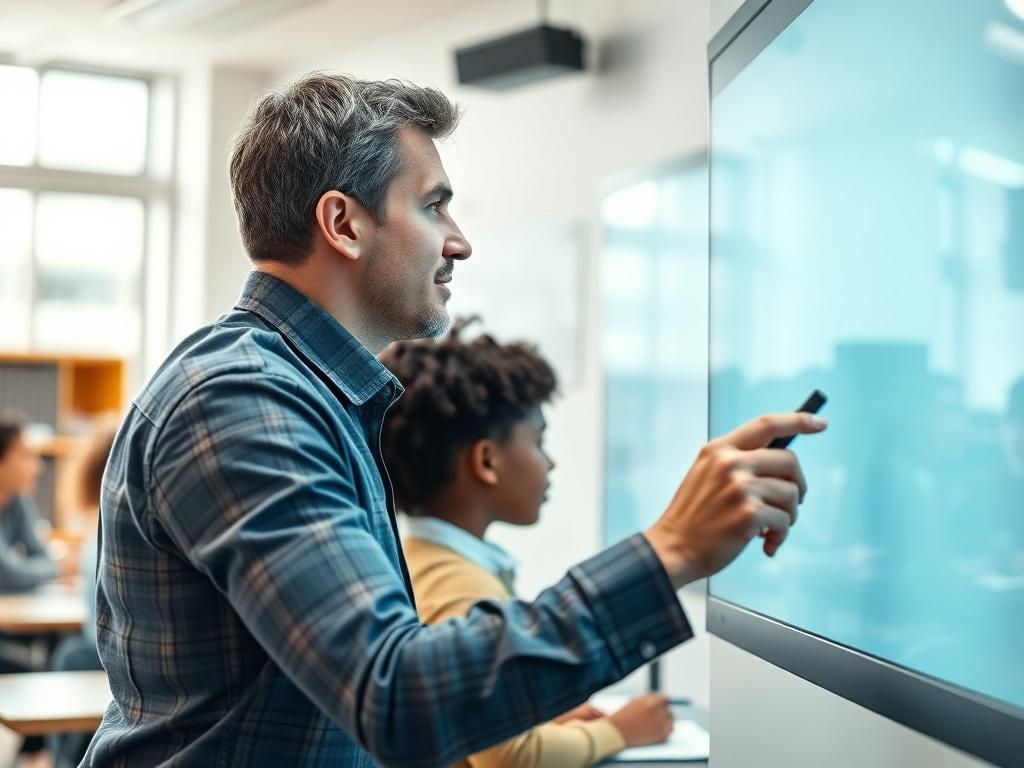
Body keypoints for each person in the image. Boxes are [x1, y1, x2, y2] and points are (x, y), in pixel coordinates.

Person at [83, 73, 826, 766]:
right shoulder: (245, 399)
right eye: (434, 205)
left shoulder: (306, 394)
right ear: (343, 223)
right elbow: (394, 695)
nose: (459, 239)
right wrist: (670, 551)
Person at [380, 318, 674, 767]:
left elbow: (468, 716)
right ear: (486, 460)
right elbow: (505, 758)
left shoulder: (423, 559)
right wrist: (617, 731)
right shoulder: (457, 584)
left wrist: (543, 710)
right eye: (539, 441)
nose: (551, 463)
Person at [49, 426, 115, 768]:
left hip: (104, 657)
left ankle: (57, 759)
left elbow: (96, 628)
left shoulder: (99, 531)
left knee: (69, 655)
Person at [0, 410, 60, 594]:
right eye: (25, 456)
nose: (38, 467)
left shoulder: (17, 500)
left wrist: (50, 568)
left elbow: (43, 557)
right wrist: (60, 569)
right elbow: (7, 574)